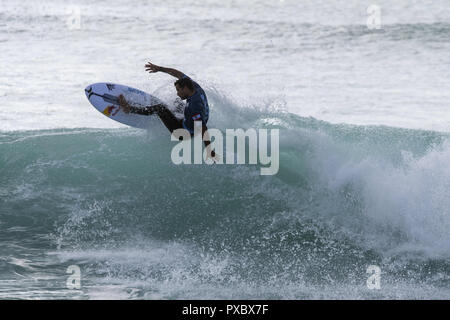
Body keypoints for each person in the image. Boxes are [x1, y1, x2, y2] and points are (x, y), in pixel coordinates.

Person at [117, 61, 217, 160]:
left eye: (178, 90)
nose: (177, 93)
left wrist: (209, 150)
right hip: (195, 119)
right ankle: (173, 116)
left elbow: (203, 128)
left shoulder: (195, 107)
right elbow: (178, 74)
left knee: (160, 108)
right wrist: (160, 69)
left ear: (185, 88)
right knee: (177, 102)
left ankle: (129, 108)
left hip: (184, 132)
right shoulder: (195, 87)